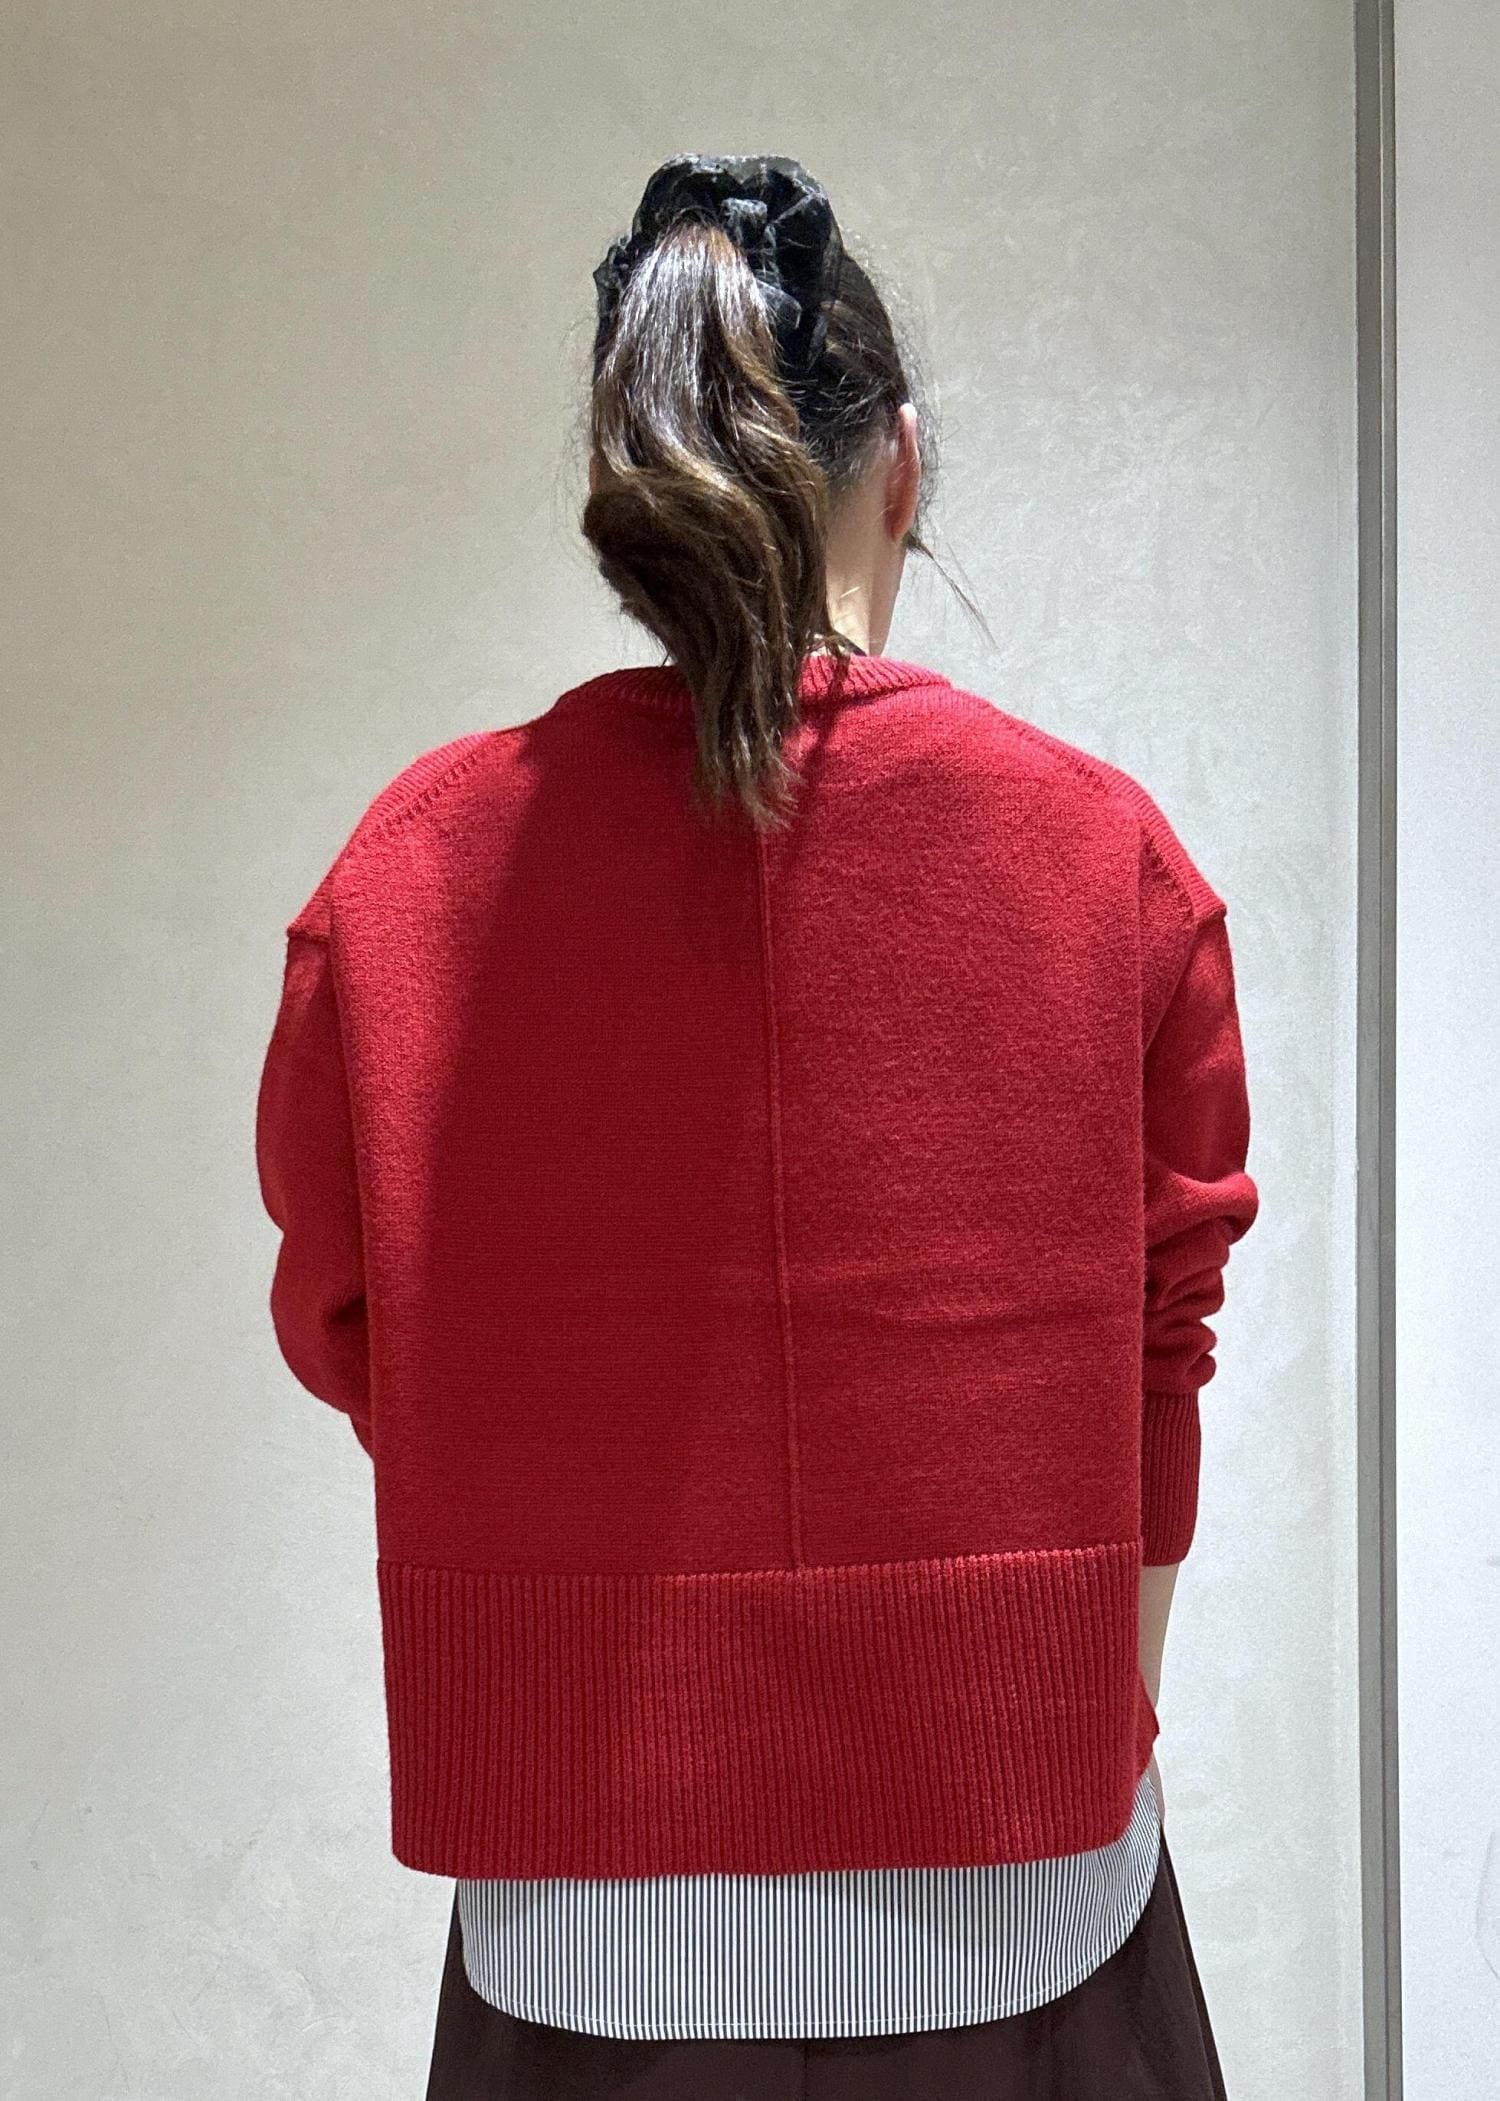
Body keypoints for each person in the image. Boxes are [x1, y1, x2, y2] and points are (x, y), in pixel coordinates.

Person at [254, 152, 1260, 2099]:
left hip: (585, 1919)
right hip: (1025, 1894)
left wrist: (565, 1514)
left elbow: (355, 1323)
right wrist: (1071, 1705)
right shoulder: (1103, 858)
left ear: (635, 497)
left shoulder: (408, 879)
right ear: (908, 465)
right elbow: (1163, 1344)